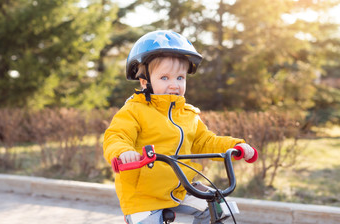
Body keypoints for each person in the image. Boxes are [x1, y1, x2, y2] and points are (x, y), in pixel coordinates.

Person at [103, 30, 257, 224]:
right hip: (143, 197)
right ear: (145, 82)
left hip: (179, 189)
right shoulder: (134, 110)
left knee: (217, 207)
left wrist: (236, 147)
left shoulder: (187, 114)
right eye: (164, 78)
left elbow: (205, 141)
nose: (174, 84)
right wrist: (123, 152)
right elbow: (116, 136)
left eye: (180, 78)